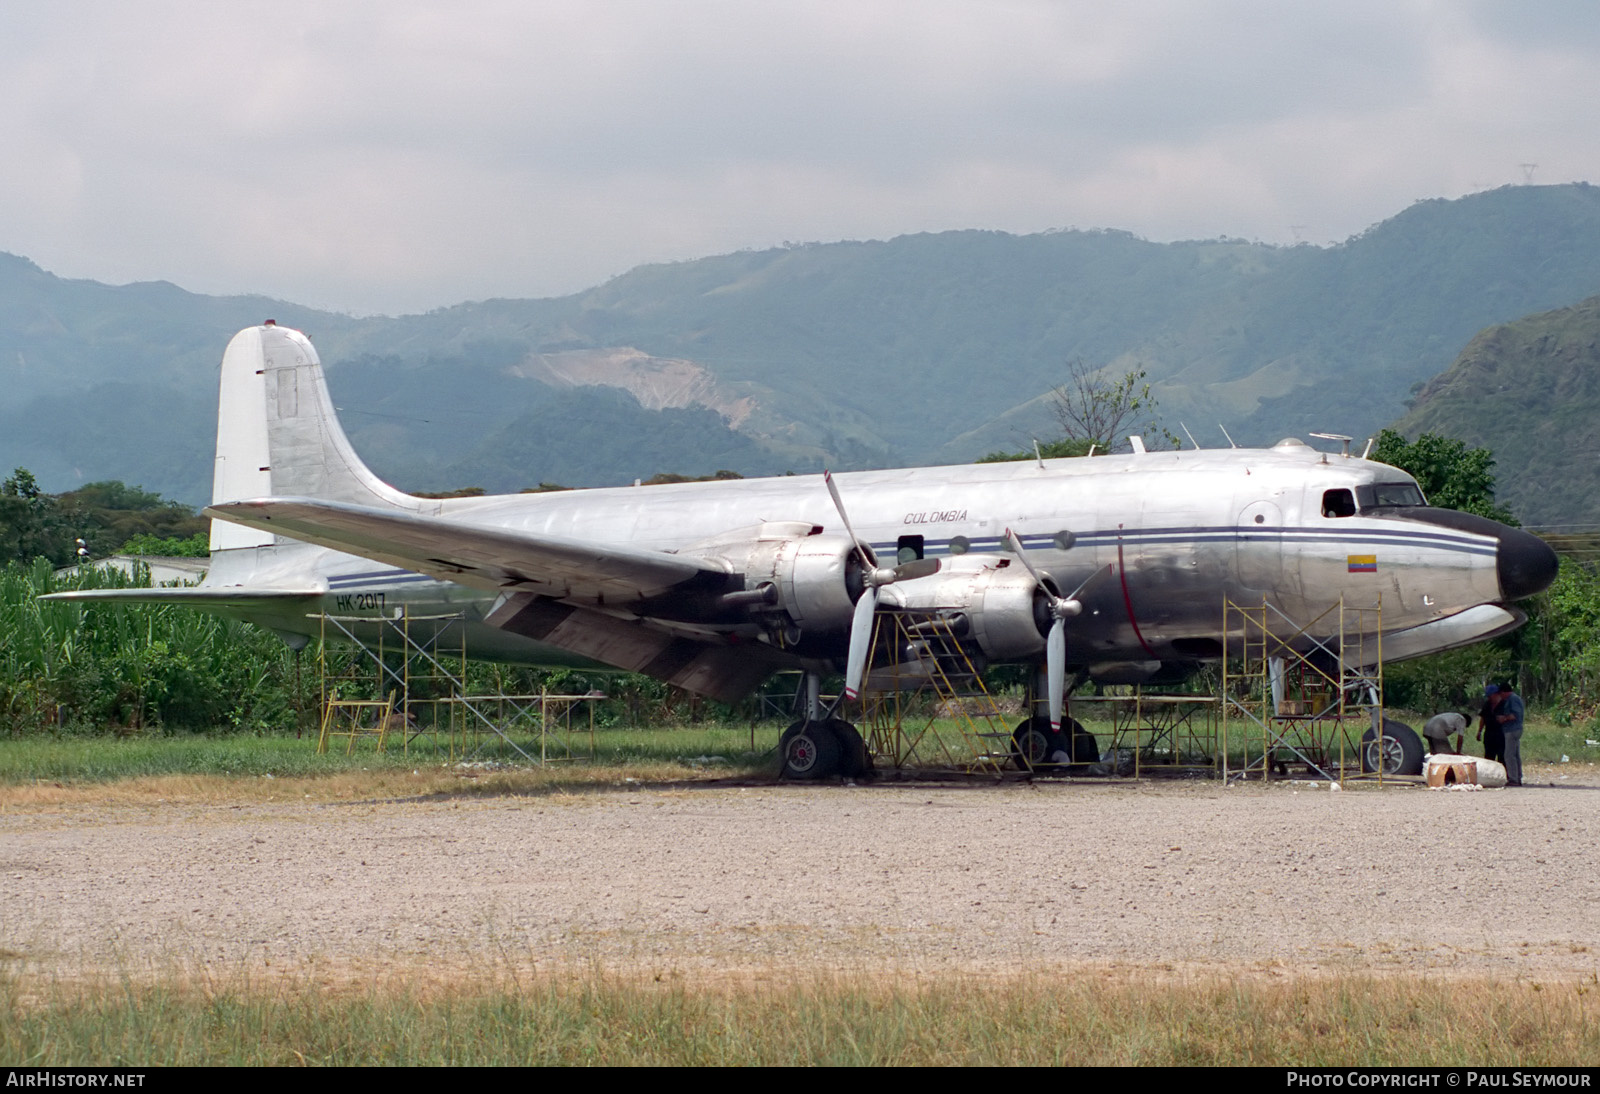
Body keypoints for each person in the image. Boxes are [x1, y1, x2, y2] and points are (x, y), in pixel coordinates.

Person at [1490, 680, 1526, 787]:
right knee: (1515, 754)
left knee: (1509, 755)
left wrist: (1504, 718)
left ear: (1504, 692)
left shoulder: (1513, 699)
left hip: (1512, 729)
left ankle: (1513, 778)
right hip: (1513, 729)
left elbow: (1515, 715)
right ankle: (1518, 777)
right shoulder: (1514, 699)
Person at [1477, 685, 1505, 764]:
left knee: (1502, 758)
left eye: (1490, 696)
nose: (1489, 698)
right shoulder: (1487, 704)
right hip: (1489, 734)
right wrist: (1479, 731)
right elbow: (1483, 718)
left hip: (1501, 735)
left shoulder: (1505, 704)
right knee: (1489, 758)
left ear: (1496, 694)